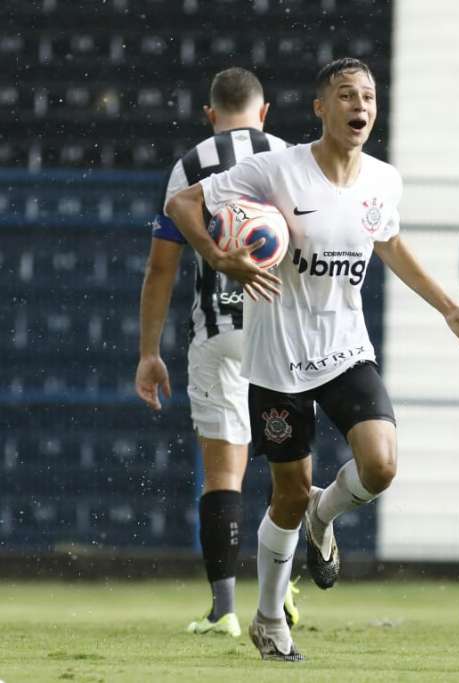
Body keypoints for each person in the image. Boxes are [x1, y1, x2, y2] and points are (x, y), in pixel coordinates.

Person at [166, 57, 459, 662]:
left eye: (368, 96)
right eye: (347, 95)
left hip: (346, 348)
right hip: (276, 358)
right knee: (287, 495)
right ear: (321, 107)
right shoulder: (276, 169)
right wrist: (219, 256)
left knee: (381, 465)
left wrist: (450, 308)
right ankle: (269, 620)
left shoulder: (384, 181)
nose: (360, 106)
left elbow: (389, 243)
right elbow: (183, 204)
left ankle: (324, 515)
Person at [134, 67, 298, 638]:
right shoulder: (289, 157)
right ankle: (281, 589)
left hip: (218, 330)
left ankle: (224, 610)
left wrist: (149, 352)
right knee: (289, 467)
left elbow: (161, 268)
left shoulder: (190, 166)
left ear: (210, 114)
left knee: (224, 473)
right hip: (282, 331)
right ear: (264, 112)